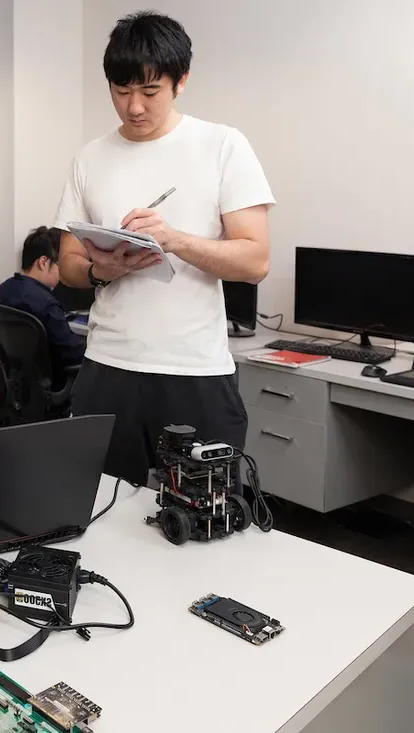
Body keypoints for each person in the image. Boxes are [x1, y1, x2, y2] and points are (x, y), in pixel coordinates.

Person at [54, 11, 274, 485]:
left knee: (206, 513)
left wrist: (174, 240)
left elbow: (256, 260)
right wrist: (101, 271)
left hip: (193, 369)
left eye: (150, 92)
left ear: (181, 82)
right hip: (107, 365)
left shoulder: (223, 146)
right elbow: (69, 264)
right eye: (121, 90)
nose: (134, 107)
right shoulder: (89, 157)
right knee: (99, 511)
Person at [0, 226, 86, 389]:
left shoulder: (3, 290)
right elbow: (73, 354)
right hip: (53, 385)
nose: (64, 272)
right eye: (60, 264)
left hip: (18, 387)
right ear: (43, 262)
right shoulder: (46, 304)